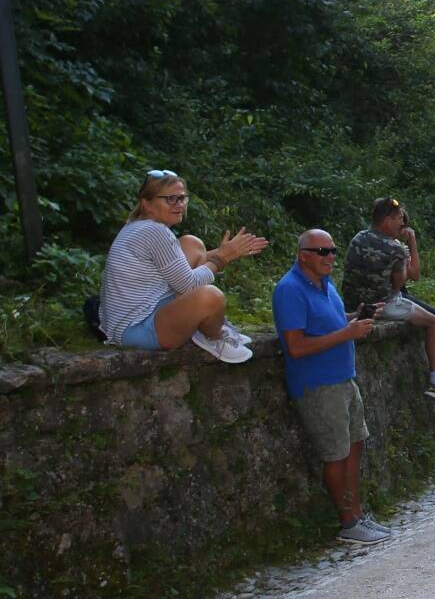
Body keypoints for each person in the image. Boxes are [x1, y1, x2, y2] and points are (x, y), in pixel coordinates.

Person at [273, 229, 391, 545]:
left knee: (355, 445)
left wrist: (357, 317)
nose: (331, 257)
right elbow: (295, 346)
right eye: (323, 251)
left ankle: (357, 514)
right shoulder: (290, 290)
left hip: (344, 379)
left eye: (333, 250)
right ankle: (348, 522)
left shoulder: (325, 284)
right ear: (304, 256)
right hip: (319, 386)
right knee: (336, 454)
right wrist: (347, 333)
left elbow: (333, 324)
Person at [99, 169, 267, 363]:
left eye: (182, 198)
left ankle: (201, 327)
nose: (179, 205)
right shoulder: (155, 232)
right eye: (170, 199)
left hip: (137, 315)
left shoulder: (139, 226)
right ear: (147, 204)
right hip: (136, 330)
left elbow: (178, 268)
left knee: (191, 244)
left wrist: (227, 251)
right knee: (210, 296)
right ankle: (212, 337)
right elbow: (190, 285)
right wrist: (222, 257)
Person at [342, 198, 435, 403]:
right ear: (387, 220)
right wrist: (405, 255)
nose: (402, 223)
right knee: (434, 321)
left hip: (351, 303)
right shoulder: (395, 248)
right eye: (400, 219)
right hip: (382, 304)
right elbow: (400, 284)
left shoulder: (358, 238)